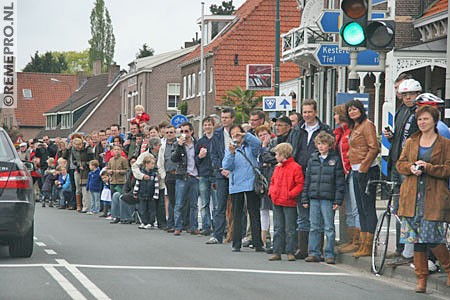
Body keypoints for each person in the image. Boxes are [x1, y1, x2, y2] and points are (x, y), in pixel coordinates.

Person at [396, 105, 450, 293]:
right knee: (416, 239)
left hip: (433, 196)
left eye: (426, 119)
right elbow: (399, 164)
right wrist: (410, 167)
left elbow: (447, 169)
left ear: (435, 121)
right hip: (412, 196)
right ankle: (421, 279)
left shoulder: (444, 143)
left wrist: (428, 167)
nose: (422, 122)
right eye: (420, 119)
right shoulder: (411, 141)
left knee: (432, 237)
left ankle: (449, 267)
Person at [383, 76, 420, 263]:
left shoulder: (418, 113)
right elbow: (401, 139)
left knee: (408, 207)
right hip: (397, 163)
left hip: (409, 166)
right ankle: (400, 246)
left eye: (411, 94)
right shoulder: (401, 111)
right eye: (404, 94)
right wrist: (390, 136)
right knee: (397, 207)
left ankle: (409, 249)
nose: (407, 97)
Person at [294, 99, 332, 259]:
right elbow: (293, 149)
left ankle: (318, 250)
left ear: (315, 112)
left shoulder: (325, 129)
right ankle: (303, 249)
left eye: (310, 112)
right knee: (303, 215)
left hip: (319, 175)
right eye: (304, 112)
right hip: (300, 175)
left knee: (320, 217)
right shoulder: (297, 130)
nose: (307, 115)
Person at [302, 132, 344, 264]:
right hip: (314, 196)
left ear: (330, 145)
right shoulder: (313, 159)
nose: (321, 146)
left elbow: (339, 181)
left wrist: (338, 199)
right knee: (314, 226)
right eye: (319, 144)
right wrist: (305, 197)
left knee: (329, 227)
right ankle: (314, 252)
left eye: (324, 144)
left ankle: (329, 253)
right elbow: (307, 180)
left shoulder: (335, 160)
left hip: (328, 198)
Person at [346, 99, 380, 257]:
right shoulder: (354, 126)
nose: (352, 112)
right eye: (350, 110)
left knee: (368, 207)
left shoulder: (367, 124)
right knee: (360, 207)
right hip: (356, 169)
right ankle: (363, 241)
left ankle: (369, 244)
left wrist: (363, 167)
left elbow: (374, 147)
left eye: (354, 109)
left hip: (366, 170)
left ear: (361, 110)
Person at [222, 125, 263, 252]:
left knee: (254, 213)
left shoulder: (249, 147)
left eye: (237, 133)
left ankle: (257, 242)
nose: (236, 136)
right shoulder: (230, 150)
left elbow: (258, 144)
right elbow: (226, 166)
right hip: (236, 184)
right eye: (233, 134)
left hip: (251, 184)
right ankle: (236, 242)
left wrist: (246, 135)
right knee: (237, 214)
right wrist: (232, 153)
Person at [268, 143, 304, 261]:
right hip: (277, 200)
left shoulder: (295, 167)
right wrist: (272, 192)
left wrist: (290, 194)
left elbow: (299, 184)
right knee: (278, 227)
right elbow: (273, 182)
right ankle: (277, 251)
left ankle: (290, 251)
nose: (275, 157)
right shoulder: (278, 167)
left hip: (289, 201)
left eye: (277, 154)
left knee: (290, 228)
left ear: (284, 154)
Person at [333, 104, 360, 254]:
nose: (334, 117)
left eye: (336, 114)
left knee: (355, 206)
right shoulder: (340, 132)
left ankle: (358, 240)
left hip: (353, 170)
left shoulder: (351, 131)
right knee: (348, 207)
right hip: (346, 172)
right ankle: (352, 239)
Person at [207, 108, 236, 245]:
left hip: (237, 173)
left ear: (233, 119)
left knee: (237, 205)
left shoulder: (238, 133)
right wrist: (222, 168)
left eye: (226, 117)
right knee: (220, 205)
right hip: (221, 173)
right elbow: (213, 154)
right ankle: (217, 235)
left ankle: (238, 235)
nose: (224, 119)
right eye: (222, 117)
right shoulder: (217, 134)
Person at [171, 122, 200, 236]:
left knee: (194, 204)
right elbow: (174, 158)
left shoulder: (197, 143)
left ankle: (193, 227)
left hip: (194, 176)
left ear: (191, 131)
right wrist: (179, 145)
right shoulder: (177, 144)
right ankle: (178, 227)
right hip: (182, 176)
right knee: (179, 203)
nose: (184, 134)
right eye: (182, 131)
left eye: (186, 131)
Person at [195, 116, 217, 236]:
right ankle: (206, 225)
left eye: (209, 124)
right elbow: (195, 160)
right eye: (205, 125)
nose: (207, 127)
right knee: (204, 202)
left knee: (217, 202)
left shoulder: (217, 139)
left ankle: (217, 226)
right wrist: (199, 156)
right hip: (203, 174)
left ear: (213, 125)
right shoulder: (200, 142)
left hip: (215, 174)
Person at [158, 125, 178, 232]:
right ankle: (171, 224)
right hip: (169, 175)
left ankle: (181, 223)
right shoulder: (163, 146)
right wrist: (163, 175)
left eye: (171, 132)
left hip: (179, 175)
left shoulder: (179, 144)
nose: (169, 134)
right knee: (171, 200)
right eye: (167, 132)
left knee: (180, 200)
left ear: (175, 133)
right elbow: (160, 163)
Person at [134, 155, 159, 229]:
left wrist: (156, 195)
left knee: (151, 210)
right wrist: (135, 192)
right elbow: (137, 183)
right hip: (142, 194)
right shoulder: (141, 174)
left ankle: (150, 222)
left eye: (154, 164)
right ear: (146, 164)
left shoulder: (154, 174)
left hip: (151, 195)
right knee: (143, 209)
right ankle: (144, 222)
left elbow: (156, 184)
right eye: (151, 163)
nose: (153, 165)